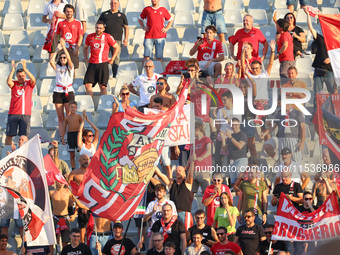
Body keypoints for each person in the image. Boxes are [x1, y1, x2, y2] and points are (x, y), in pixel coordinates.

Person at [304, 7, 337, 112]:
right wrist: (308, 15)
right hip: (318, 70)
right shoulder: (320, 38)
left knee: (333, 94)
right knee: (317, 94)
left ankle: (334, 113)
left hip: (330, 71)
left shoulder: (336, 40)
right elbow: (310, 28)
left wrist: (330, 59)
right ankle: (316, 114)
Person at [83, 20, 120, 97]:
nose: (98, 29)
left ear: (103, 29)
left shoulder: (107, 37)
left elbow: (117, 47)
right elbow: (85, 48)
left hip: (103, 64)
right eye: (97, 27)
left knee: (102, 86)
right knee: (87, 85)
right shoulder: (90, 36)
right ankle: (91, 105)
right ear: (95, 27)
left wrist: (112, 59)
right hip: (92, 64)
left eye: (100, 28)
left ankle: (103, 103)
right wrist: (86, 57)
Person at [50, 38, 75, 141]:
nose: (62, 59)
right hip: (58, 91)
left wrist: (64, 47)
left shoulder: (70, 68)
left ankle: (69, 135)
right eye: (61, 58)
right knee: (60, 116)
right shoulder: (58, 68)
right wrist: (57, 50)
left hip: (68, 91)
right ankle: (62, 136)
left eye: (64, 57)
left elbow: (69, 59)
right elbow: (51, 61)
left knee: (69, 115)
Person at [5, 60, 36, 146]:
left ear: (25, 76)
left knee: (24, 137)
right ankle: (7, 153)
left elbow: (33, 79)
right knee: (9, 135)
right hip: (13, 113)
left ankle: (23, 153)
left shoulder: (29, 84)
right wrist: (12, 70)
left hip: (25, 114)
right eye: (19, 76)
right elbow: (8, 82)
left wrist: (25, 69)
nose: (21, 78)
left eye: (23, 76)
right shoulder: (14, 84)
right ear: (17, 77)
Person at [98, 0, 129, 78]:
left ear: (118, 4)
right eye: (112, 3)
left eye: (115, 3)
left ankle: (115, 75)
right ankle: (103, 75)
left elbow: (126, 27)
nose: (113, 5)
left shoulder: (122, 15)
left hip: (117, 40)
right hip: (105, 40)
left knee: (116, 58)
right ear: (110, 4)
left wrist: (126, 38)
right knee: (103, 57)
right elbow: (98, 26)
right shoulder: (104, 14)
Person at [234, 159, 269, 226]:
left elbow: (265, 200)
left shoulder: (261, 183)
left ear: (256, 174)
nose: (250, 175)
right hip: (245, 214)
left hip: (257, 214)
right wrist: (239, 213)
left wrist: (265, 213)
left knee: (258, 233)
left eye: (252, 173)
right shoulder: (243, 184)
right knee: (245, 233)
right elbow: (240, 200)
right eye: (249, 173)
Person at [138, 0, 173, 64]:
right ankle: (145, 72)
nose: (154, 0)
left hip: (160, 37)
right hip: (149, 36)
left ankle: (158, 72)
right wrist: (143, 27)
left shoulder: (163, 9)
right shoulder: (147, 9)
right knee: (146, 56)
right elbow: (140, 19)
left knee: (159, 57)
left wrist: (166, 28)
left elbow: (170, 20)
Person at [68, 154, 90, 243]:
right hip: (79, 200)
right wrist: (72, 199)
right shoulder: (74, 173)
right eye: (84, 159)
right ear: (79, 160)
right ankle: (83, 243)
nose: (86, 161)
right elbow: (68, 187)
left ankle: (89, 242)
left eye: (87, 159)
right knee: (82, 225)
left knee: (91, 224)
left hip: (91, 201)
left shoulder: (92, 171)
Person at [55, 4, 83, 69]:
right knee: (62, 69)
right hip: (63, 48)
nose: (69, 13)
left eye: (71, 11)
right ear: (64, 12)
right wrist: (57, 46)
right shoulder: (60, 23)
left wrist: (77, 48)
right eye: (67, 11)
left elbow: (80, 36)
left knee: (73, 69)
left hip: (73, 49)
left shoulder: (78, 23)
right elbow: (56, 36)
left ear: (73, 12)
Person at [169, 158, 195, 230]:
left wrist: (192, 162)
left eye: (180, 171)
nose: (177, 172)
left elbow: (191, 173)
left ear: (184, 173)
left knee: (186, 234)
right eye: (176, 171)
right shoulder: (171, 183)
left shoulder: (187, 182)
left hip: (185, 213)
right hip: (173, 214)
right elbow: (162, 176)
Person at [221, 118, 248, 186]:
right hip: (231, 161)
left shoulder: (242, 134)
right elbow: (224, 149)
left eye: (236, 125)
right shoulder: (231, 136)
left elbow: (239, 146)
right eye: (232, 125)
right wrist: (223, 139)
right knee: (233, 183)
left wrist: (230, 137)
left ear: (239, 125)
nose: (234, 126)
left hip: (240, 160)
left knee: (240, 182)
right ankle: (236, 196)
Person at [50, 181, 77, 248]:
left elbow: (77, 202)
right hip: (54, 218)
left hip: (65, 218)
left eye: (63, 182)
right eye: (60, 182)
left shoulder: (68, 191)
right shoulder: (51, 192)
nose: (62, 183)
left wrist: (74, 214)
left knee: (65, 241)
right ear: (56, 182)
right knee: (52, 241)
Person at [192, 121, 213, 194]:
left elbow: (209, 151)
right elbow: (190, 157)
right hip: (194, 170)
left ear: (197, 129)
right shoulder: (193, 142)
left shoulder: (206, 139)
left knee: (206, 192)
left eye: (192, 130)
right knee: (191, 193)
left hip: (204, 169)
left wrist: (202, 157)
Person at [61, 101, 82, 169]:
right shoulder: (67, 118)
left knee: (80, 153)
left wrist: (83, 136)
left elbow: (82, 126)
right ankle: (73, 168)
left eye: (74, 107)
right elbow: (64, 128)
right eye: (71, 107)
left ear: (76, 108)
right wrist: (63, 138)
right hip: (70, 135)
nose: (73, 109)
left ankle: (81, 167)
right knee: (72, 154)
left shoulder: (79, 116)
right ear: (69, 108)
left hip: (77, 134)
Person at [275, 18, 295, 85]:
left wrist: (278, 54)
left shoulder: (284, 35)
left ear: (281, 28)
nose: (276, 27)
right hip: (288, 60)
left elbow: (285, 45)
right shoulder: (286, 34)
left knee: (285, 80)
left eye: (277, 25)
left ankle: (286, 94)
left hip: (286, 61)